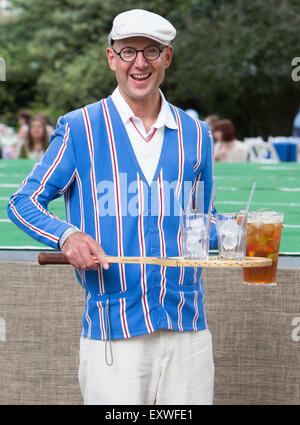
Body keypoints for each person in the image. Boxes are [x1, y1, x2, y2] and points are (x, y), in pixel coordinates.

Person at [7, 9, 218, 405]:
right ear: (111, 58)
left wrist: (239, 232)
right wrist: (67, 236)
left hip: (188, 331)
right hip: (113, 334)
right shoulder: (80, 127)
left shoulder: (197, 134)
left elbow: (200, 220)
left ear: (167, 58)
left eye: (151, 51)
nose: (140, 63)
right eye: (128, 52)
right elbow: (22, 203)